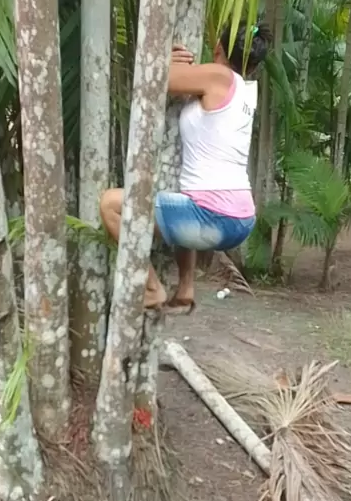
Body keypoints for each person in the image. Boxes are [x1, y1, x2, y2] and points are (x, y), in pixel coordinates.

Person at [100, 19, 271, 313]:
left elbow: (157, 79)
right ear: (253, 66)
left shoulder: (219, 77)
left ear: (218, 48)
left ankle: (151, 288)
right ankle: (185, 289)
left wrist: (166, 60)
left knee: (109, 204)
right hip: (240, 217)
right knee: (185, 198)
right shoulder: (244, 90)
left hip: (213, 218)